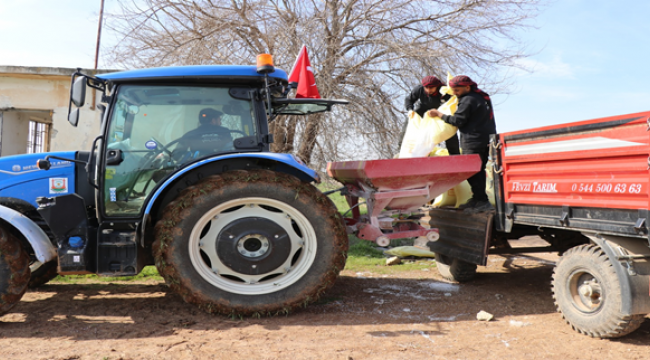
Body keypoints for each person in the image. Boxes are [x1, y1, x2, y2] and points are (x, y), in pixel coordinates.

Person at [428, 75, 496, 211]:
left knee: (472, 172)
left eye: (457, 90)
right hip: (482, 139)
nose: (454, 93)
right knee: (477, 171)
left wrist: (439, 114)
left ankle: (482, 200)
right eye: (453, 90)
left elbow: (458, 121)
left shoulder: (468, 100)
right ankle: (478, 199)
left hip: (473, 140)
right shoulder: (479, 98)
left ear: (467, 87)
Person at [402, 75, 460, 155]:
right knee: (411, 121)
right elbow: (409, 99)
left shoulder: (444, 91)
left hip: (440, 113)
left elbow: (453, 102)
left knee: (449, 130)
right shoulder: (419, 89)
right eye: (426, 88)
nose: (429, 90)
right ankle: (413, 152)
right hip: (424, 111)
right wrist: (409, 109)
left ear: (437, 86)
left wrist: (440, 114)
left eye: (431, 88)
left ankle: (455, 155)